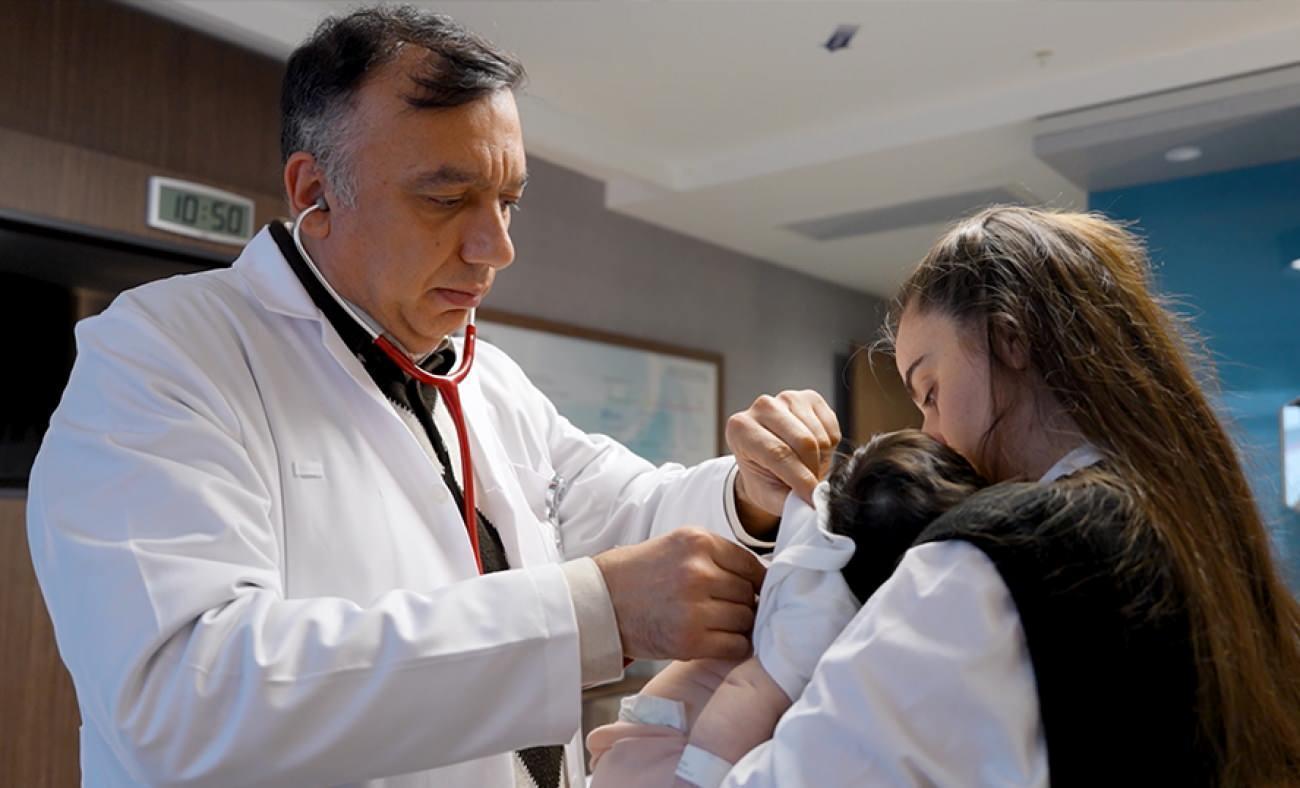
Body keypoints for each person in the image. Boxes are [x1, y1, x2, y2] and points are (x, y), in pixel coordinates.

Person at [24, 7, 842, 787]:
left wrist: (751, 494)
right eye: (447, 199)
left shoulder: (487, 379)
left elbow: (628, 509)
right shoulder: (165, 353)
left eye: (508, 202)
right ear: (315, 192)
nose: (497, 248)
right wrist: (592, 615)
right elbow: (184, 697)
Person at [719, 206, 1300, 787]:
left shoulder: (998, 554)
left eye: (930, 392)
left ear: (1010, 338)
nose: (930, 435)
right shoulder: (1192, 520)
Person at [585, 430, 987, 787]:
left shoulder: (832, 559)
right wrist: (696, 780)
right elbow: (746, 693)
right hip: (664, 751)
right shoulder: (821, 606)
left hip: (670, 735)